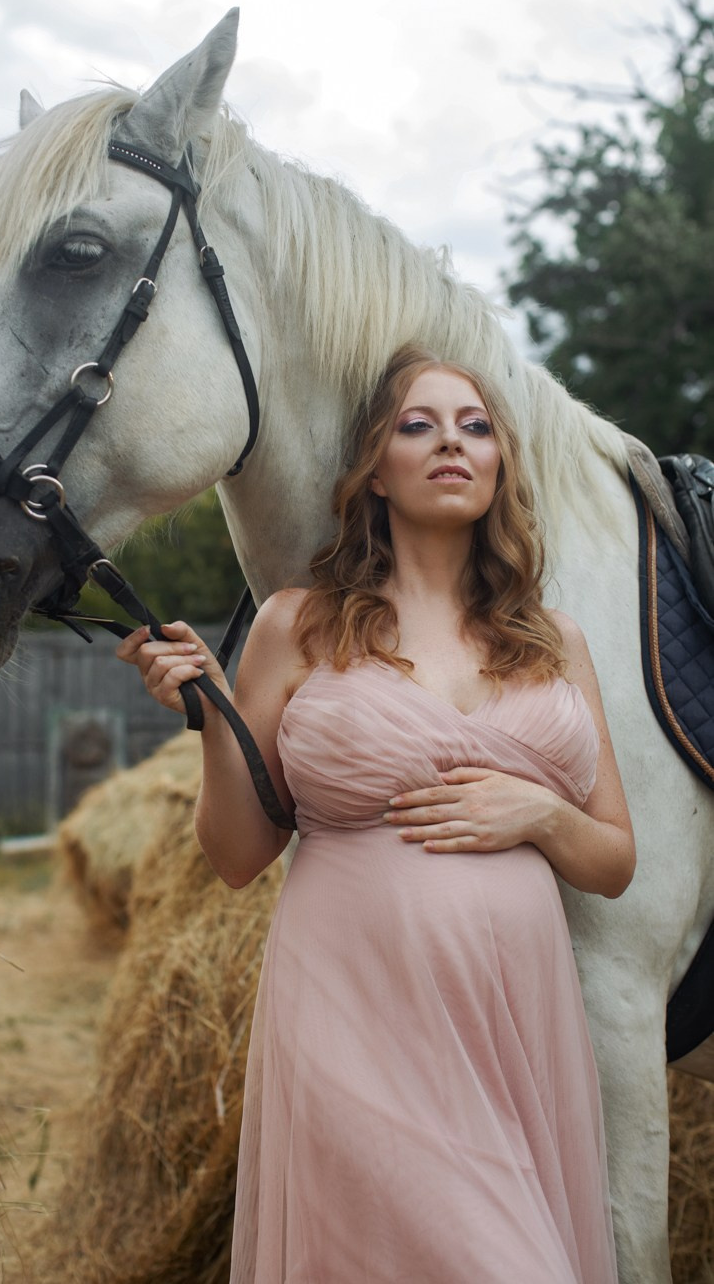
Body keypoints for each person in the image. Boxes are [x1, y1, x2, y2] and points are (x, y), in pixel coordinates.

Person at [117, 345, 635, 1284]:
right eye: (417, 425)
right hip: (353, 1010)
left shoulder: (552, 641)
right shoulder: (296, 625)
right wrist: (210, 716)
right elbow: (237, 855)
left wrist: (539, 815)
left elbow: (612, 862)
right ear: (376, 471)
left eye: (474, 427)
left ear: (499, 465)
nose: (451, 443)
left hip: (511, 1025)